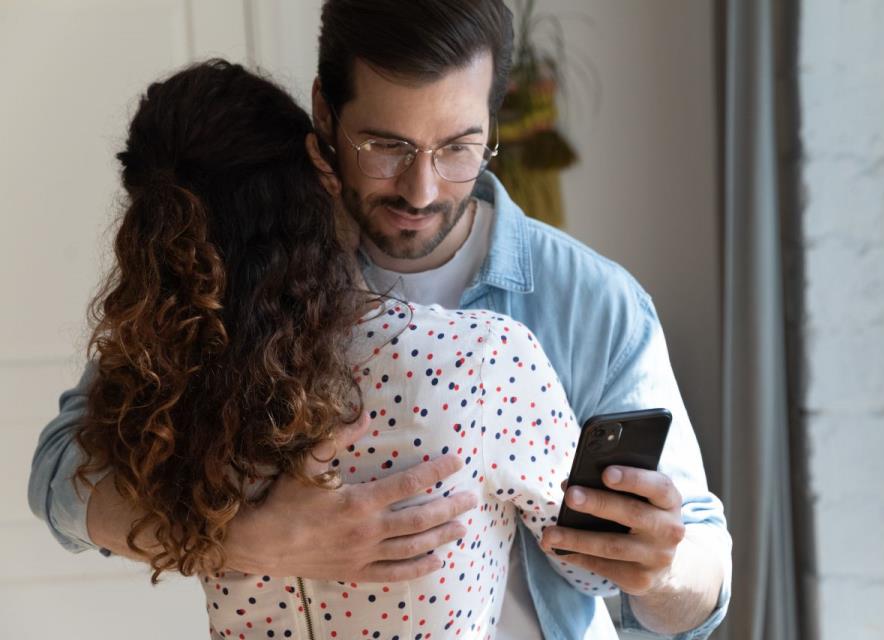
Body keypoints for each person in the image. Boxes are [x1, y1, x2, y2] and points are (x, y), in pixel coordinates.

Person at [29, 1, 731, 638]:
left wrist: (661, 568)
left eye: (458, 147)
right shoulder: (239, 281)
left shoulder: (593, 302)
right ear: (324, 117)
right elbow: (60, 477)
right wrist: (247, 537)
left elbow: (700, 588)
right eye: (387, 146)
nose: (422, 190)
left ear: (493, 121)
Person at [69, 58, 610, 639]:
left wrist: (242, 537)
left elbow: (57, 485)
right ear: (319, 172)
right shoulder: (482, 359)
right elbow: (596, 568)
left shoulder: (167, 387)